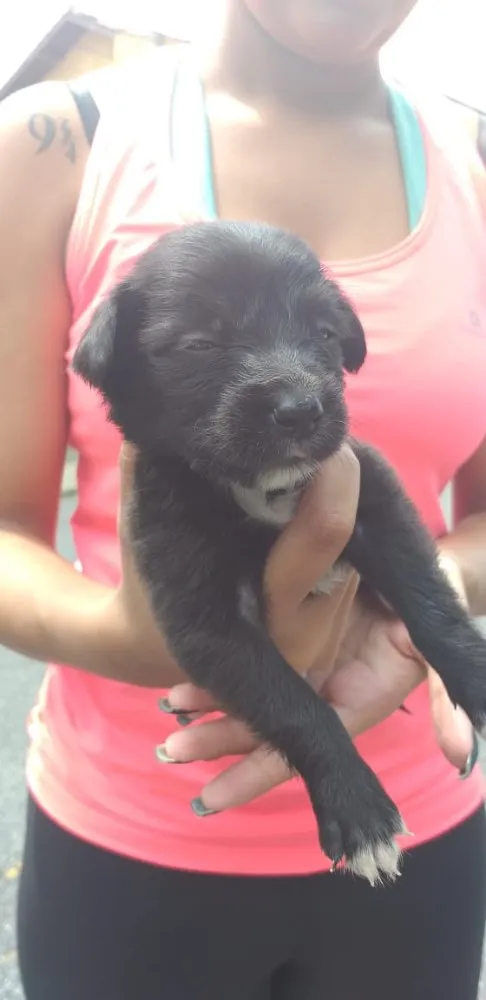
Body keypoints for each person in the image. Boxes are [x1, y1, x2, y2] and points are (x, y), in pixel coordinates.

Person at [1, 1, 486, 997]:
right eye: (197, 343)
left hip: (427, 813)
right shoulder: (52, 145)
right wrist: (133, 638)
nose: (298, 386)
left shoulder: (474, 168)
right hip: (133, 835)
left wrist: (421, 614)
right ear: (119, 362)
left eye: (320, 337)